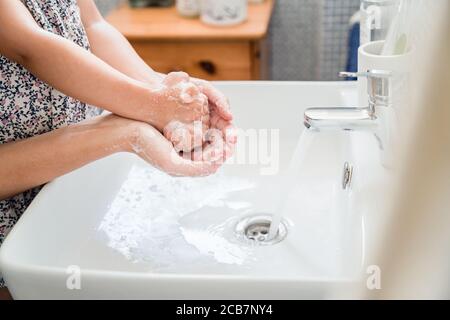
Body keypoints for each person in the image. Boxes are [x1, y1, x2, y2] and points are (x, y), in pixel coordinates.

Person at [0, 0, 237, 297]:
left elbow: (92, 25)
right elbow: (29, 46)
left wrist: (160, 89)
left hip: (67, 171)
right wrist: (153, 106)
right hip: (10, 210)